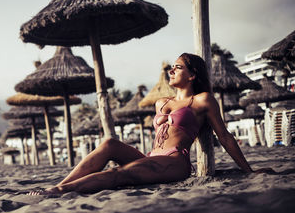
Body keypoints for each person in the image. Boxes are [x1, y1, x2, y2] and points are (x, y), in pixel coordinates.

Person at [29, 53, 272, 195]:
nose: (171, 70)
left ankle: (57, 193)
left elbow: (225, 136)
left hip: (175, 162)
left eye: (177, 67)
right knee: (109, 143)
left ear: (193, 74)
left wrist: (248, 171)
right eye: (171, 67)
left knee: (118, 174)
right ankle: (59, 186)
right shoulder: (161, 103)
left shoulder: (202, 100)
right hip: (151, 157)